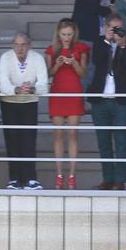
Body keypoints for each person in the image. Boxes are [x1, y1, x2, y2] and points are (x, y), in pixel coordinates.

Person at [87, 13, 126, 191]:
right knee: (103, 141)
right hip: (100, 99)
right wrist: (107, 41)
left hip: (121, 99)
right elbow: (96, 61)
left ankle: (120, 180)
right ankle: (107, 179)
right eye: (113, 28)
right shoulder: (100, 42)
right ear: (106, 27)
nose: (116, 32)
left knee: (121, 140)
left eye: (119, 28)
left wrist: (122, 46)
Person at [0, 33, 48, 190]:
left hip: (30, 102)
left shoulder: (37, 58)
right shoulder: (5, 58)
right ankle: (14, 179)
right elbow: (3, 84)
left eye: (23, 44)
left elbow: (44, 85)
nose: (20, 48)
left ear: (29, 45)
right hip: (9, 103)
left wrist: (32, 89)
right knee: (12, 141)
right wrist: (17, 89)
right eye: (17, 45)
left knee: (28, 140)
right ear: (13, 45)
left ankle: (30, 179)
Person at [46, 19, 89, 190]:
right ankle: (58, 174)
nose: (66, 38)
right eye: (64, 34)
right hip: (58, 92)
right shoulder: (52, 50)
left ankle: (71, 174)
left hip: (74, 92)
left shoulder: (81, 48)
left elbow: (83, 74)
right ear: (58, 34)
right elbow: (49, 73)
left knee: (72, 134)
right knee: (58, 134)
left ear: (74, 34)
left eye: (69, 34)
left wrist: (74, 62)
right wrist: (57, 63)